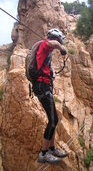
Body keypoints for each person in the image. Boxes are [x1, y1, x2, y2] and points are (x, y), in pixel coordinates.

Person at [32, 28, 68, 164]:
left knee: (53, 120)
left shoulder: (46, 54)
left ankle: (52, 149)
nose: (57, 44)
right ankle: (43, 154)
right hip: (42, 86)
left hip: (44, 86)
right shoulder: (45, 44)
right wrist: (61, 47)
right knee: (53, 121)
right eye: (58, 40)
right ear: (55, 39)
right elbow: (51, 44)